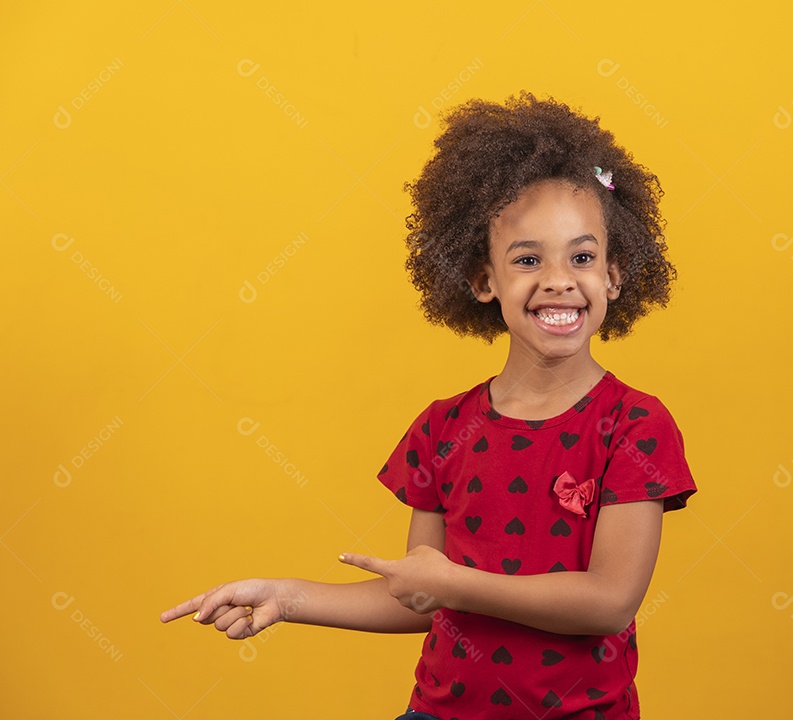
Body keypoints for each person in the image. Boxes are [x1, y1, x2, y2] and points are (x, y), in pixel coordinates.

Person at [161, 92, 697, 720]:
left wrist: (453, 584)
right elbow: (416, 596)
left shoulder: (634, 425)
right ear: (483, 281)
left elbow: (609, 601)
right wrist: (287, 595)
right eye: (527, 259)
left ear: (613, 274)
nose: (557, 279)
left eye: (582, 257)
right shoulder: (445, 427)